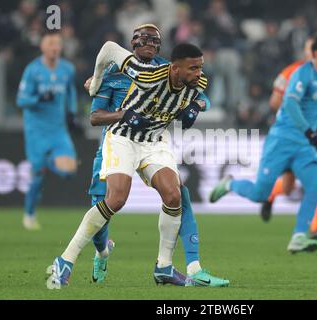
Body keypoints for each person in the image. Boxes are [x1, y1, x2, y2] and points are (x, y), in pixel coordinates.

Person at [46, 40, 229, 289]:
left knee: (174, 195)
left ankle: (164, 267)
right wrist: (97, 80)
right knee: (117, 199)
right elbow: (109, 48)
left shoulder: (198, 81)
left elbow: (202, 97)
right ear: (175, 69)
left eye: (200, 67)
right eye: (193, 69)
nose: (199, 74)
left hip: (154, 141)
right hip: (123, 137)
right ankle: (65, 260)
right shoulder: (147, 75)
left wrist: (196, 105)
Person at [210, 33, 317, 253]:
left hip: (303, 146)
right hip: (281, 141)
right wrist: (310, 131)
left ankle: (299, 236)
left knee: (316, 187)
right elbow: (289, 104)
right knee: (260, 194)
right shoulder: (302, 74)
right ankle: (230, 184)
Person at [260, 37, 317, 241]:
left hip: (316, 128)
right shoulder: (291, 72)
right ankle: (271, 194)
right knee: (289, 186)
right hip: (293, 130)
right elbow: (274, 103)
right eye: (308, 50)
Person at [16, 30, 78, 230]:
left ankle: (48, 162)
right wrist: (39, 98)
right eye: (50, 43)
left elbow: (71, 91)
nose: (54, 47)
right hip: (37, 131)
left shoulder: (67, 69)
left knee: (69, 171)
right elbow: (21, 100)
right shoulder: (32, 70)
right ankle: (29, 215)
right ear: (42, 46)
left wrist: (72, 113)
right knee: (37, 177)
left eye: (57, 44)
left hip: (58, 131)